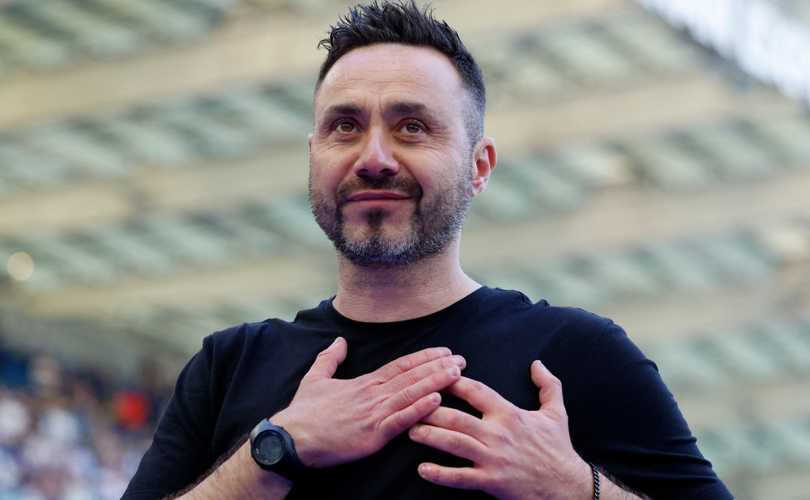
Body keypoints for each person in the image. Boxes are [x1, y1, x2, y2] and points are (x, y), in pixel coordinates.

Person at [123, 1, 733, 499]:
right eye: (345, 126)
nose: (374, 157)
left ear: (479, 166)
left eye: (412, 127)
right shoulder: (228, 367)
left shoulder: (576, 355)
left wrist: (572, 488)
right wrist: (275, 451)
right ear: (313, 156)